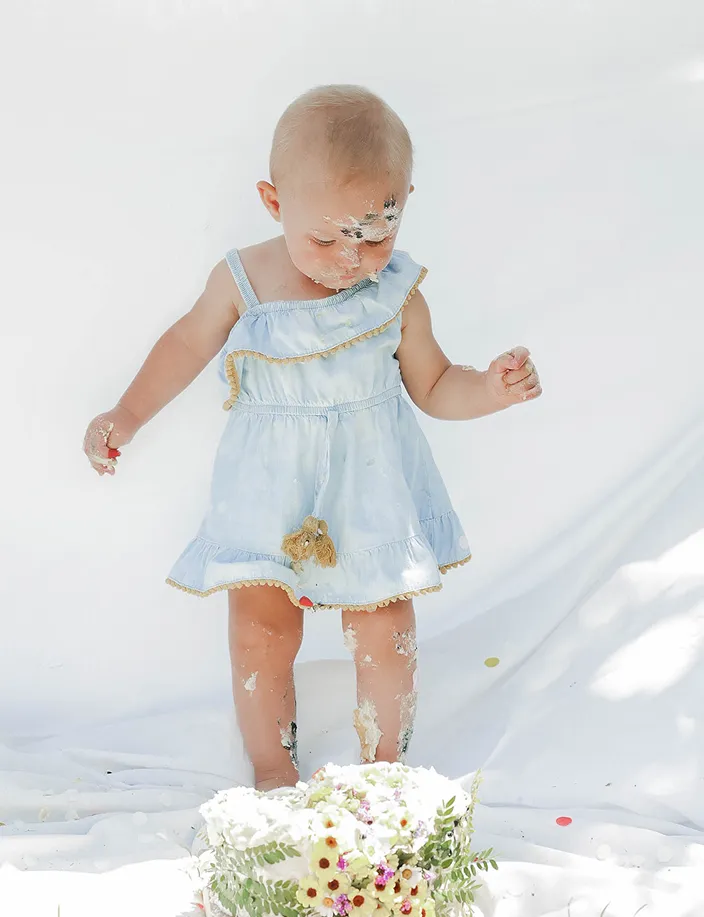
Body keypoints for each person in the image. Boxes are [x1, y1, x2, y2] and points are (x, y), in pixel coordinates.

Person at [82, 84, 542, 792]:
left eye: (375, 232)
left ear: (404, 200)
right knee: (259, 632)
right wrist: (127, 413)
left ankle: (385, 772)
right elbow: (185, 344)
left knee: (385, 630)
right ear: (274, 202)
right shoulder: (246, 279)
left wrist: (491, 388)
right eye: (326, 237)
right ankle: (272, 768)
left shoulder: (396, 293)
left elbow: (436, 382)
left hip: (370, 489)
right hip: (270, 493)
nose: (350, 258)